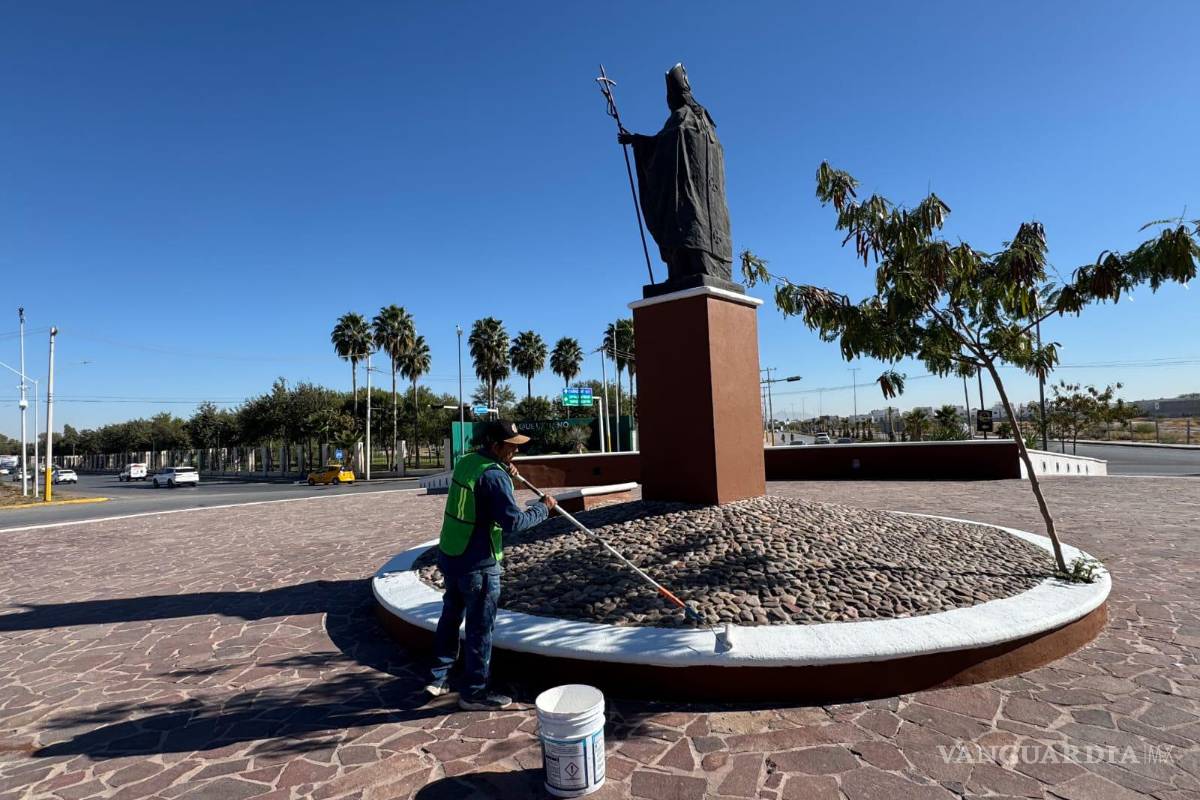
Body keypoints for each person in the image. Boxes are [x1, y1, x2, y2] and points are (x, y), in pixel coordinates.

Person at [425, 419, 558, 710]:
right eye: (511, 447)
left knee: (450, 616)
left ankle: (439, 677)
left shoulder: (468, 462)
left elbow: (482, 494)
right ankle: (474, 693)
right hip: (479, 564)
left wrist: (504, 470)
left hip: (451, 555)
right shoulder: (494, 477)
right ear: (496, 446)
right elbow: (513, 522)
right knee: (480, 628)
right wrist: (543, 508)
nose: (515, 452)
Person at [618, 63, 734, 288]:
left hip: (687, 193)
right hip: (702, 198)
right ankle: (688, 269)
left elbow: (665, 144)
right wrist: (639, 141)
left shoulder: (682, 116)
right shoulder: (705, 122)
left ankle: (686, 269)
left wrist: (638, 142)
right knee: (688, 226)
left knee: (683, 226)